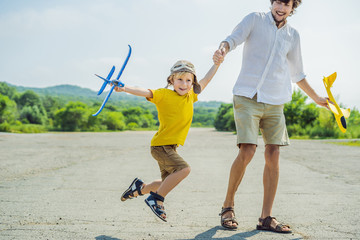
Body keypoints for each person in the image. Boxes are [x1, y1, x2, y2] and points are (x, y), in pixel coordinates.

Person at [213, 0, 329, 233]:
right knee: (247, 149)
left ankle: (266, 217)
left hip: (276, 100)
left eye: (286, 4)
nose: (281, 7)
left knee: (273, 154)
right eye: (278, 1)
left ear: (292, 7)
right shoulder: (255, 19)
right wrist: (223, 48)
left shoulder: (292, 35)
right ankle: (228, 206)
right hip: (247, 95)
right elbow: (233, 38)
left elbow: (297, 73)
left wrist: (317, 98)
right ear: (272, 3)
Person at [118, 60, 219, 222]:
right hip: (161, 145)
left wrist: (217, 64)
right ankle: (156, 199)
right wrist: (124, 88)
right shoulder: (164, 94)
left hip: (169, 147)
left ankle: (138, 189)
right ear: (171, 80)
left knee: (166, 182)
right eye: (179, 79)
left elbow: (206, 80)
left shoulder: (191, 96)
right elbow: (144, 91)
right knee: (184, 169)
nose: (184, 84)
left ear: (193, 82)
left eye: (188, 80)